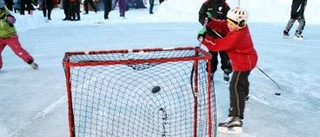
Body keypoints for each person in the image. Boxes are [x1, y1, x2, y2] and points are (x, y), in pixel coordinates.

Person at [197, 7, 258, 131]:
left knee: (235, 86)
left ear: (240, 23)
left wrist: (205, 39)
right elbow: (222, 25)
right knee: (242, 80)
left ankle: (235, 117)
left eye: (231, 24)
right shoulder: (236, 26)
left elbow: (219, 45)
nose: (228, 25)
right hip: (248, 59)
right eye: (228, 22)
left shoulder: (237, 35)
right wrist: (211, 22)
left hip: (244, 63)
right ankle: (244, 95)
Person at [198, 0, 232, 82]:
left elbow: (229, 20)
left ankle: (226, 71)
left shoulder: (225, 5)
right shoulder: (206, 4)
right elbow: (201, 16)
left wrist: (222, 26)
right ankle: (211, 72)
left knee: (225, 56)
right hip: (211, 36)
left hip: (223, 37)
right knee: (212, 56)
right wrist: (205, 21)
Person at [0, 2, 38, 70]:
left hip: (11, 36)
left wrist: (10, 19)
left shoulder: (6, 14)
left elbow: (12, 19)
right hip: (1, 37)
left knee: (18, 50)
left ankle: (30, 61)